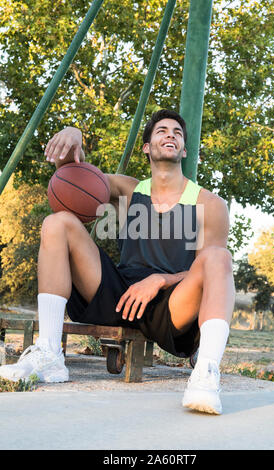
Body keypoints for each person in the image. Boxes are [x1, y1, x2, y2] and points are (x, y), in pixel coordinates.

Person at [0, 109, 235, 414]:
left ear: (184, 149)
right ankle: (49, 354)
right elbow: (73, 181)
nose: (170, 135)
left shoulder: (210, 204)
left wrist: (160, 280)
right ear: (147, 148)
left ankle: (205, 375)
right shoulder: (128, 189)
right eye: (161, 131)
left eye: (177, 133)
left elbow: (206, 271)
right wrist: (73, 136)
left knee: (220, 257)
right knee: (57, 222)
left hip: (170, 302)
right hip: (120, 291)